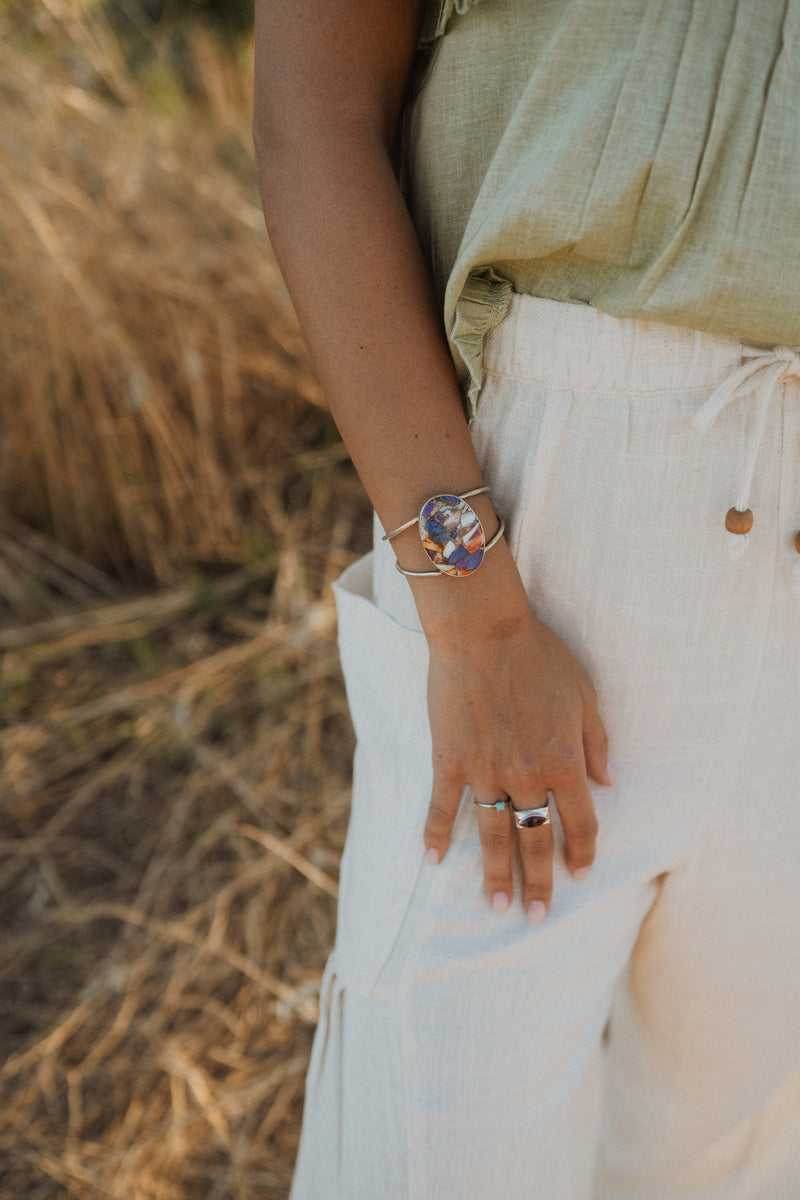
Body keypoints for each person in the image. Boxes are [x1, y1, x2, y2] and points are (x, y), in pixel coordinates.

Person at [253, 2, 800, 1196]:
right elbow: (313, 117)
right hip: (544, 529)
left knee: (740, 1161)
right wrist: (477, 614)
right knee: (425, 1145)